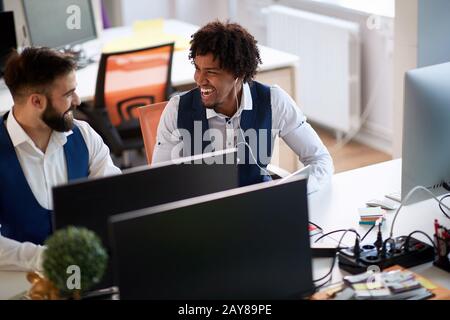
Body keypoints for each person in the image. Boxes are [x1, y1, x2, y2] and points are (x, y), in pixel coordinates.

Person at [152, 21, 333, 188]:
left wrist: (294, 193)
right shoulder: (176, 110)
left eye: (211, 72)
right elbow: (160, 183)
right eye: (197, 69)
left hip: (258, 208)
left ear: (238, 74)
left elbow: (320, 160)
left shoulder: (273, 101)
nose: (199, 80)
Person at [0, 47, 121, 271]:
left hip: (88, 270)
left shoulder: (84, 135)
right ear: (36, 102)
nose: (77, 101)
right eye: (68, 94)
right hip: (20, 282)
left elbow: (114, 199)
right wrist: (48, 259)